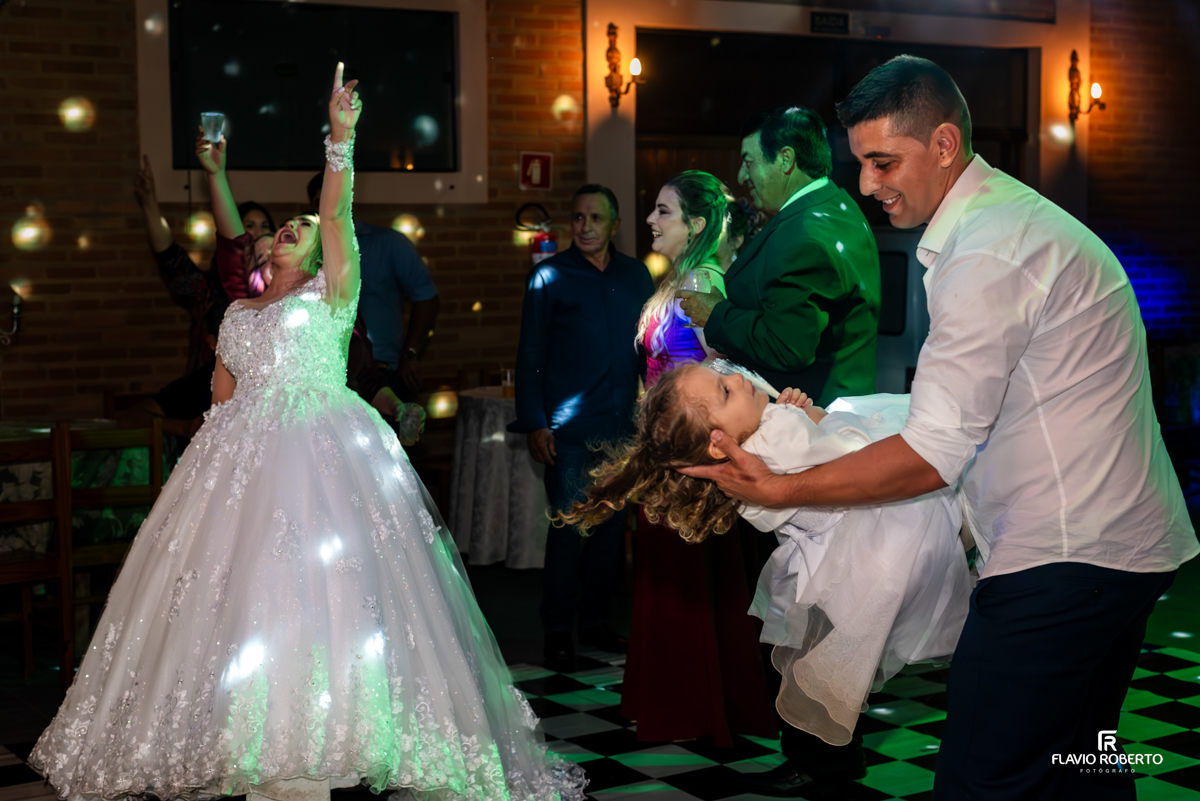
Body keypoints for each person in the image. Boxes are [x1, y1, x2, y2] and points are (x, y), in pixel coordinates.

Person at [29, 63, 585, 801]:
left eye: (299, 227)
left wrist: (341, 138)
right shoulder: (236, 316)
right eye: (280, 231)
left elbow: (335, 208)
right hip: (237, 470)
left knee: (327, 595)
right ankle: (244, 731)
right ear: (262, 255)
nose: (290, 231)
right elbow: (219, 402)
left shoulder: (334, 296)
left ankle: (328, 731)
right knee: (235, 600)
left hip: (324, 458)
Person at [686, 55, 1198, 801]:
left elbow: (932, 453)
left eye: (883, 161)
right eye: (860, 162)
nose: (866, 184)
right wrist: (844, 421)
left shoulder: (989, 247)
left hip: (1064, 558)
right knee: (1080, 766)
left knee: (983, 778)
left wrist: (785, 482)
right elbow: (967, 405)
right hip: (1123, 550)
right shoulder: (1007, 222)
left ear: (945, 145)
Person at [560, 362, 973, 747]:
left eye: (723, 375)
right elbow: (856, 453)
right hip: (889, 532)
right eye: (725, 390)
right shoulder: (775, 439)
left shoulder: (739, 473)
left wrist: (792, 416)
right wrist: (805, 417)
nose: (738, 379)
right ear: (717, 444)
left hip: (840, 567)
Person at [620, 172, 777, 747]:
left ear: (698, 225)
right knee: (669, 578)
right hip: (665, 455)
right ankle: (677, 700)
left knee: (687, 581)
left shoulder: (703, 283)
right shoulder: (679, 281)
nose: (652, 222)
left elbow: (727, 375)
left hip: (687, 460)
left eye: (664, 212)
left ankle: (696, 707)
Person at [508, 184, 654, 671]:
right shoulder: (549, 276)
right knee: (569, 532)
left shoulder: (636, 276)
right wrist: (534, 422)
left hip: (621, 428)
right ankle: (557, 630)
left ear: (614, 224)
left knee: (610, 533)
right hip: (567, 432)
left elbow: (649, 350)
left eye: (596, 218)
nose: (586, 226)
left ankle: (594, 622)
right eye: (578, 217)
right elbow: (529, 356)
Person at [197, 130, 420, 442]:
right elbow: (219, 410)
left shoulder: (327, 297)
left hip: (318, 442)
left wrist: (342, 137)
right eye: (288, 222)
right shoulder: (239, 312)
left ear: (320, 256)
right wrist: (216, 175)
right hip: (247, 449)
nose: (290, 224)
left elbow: (335, 215)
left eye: (305, 224)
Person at [678, 105, 880, 406]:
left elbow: (787, 347)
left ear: (785, 159)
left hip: (813, 420)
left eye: (749, 162)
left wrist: (715, 312)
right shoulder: (837, 205)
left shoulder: (803, 233)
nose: (741, 175)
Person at [307, 173, 439, 403]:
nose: (329, 208)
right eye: (321, 201)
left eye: (335, 200)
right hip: (321, 376)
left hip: (382, 369)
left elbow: (426, 297)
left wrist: (410, 354)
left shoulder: (388, 243)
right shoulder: (305, 252)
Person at [133, 155, 228, 374]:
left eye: (264, 227)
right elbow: (170, 257)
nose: (255, 234)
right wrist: (149, 201)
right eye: (247, 226)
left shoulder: (279, 295)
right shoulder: (208, 293)